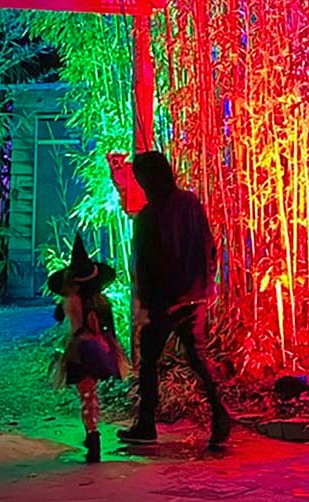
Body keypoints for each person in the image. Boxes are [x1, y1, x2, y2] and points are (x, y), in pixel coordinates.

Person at [118, 149, 232, 451]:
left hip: (165, 302)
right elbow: (210, 246)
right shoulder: (191, 203)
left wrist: (143, 305)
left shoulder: (150, 216)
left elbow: (144, 267)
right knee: (198, 358)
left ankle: (146, 423)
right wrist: (206, 284)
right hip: (194, 297)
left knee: (149, 361)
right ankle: (220, 413)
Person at [48, 233, 128, 462]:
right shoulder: (103, 302)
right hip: (100, 350)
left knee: (86, 393)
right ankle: (93, 436)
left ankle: (92, 435)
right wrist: (113, 350)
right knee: (92, 393)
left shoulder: (69, 302)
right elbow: (110, 330)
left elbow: (56, 316)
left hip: (78, 350)